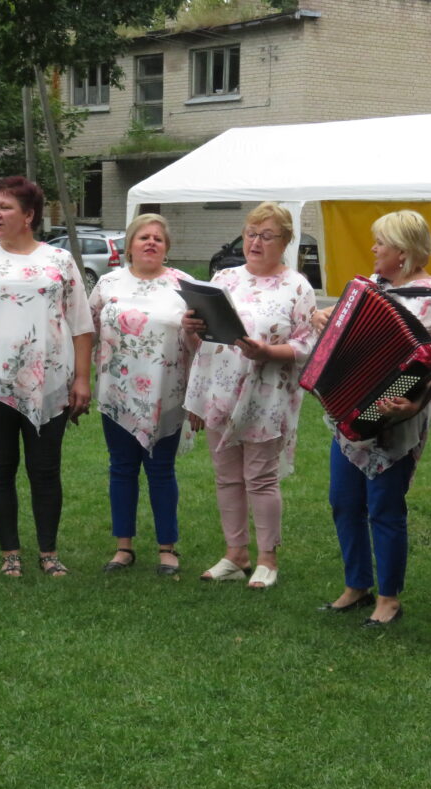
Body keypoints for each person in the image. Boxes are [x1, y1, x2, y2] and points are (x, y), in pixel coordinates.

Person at [0, 176, 94, 577]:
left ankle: (49, 552)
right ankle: (9, 552)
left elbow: (81, 323)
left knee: (45, 469)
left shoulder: (59, 261)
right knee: (0, 467)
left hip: (49, 381)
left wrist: (82, 379)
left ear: (29, 216)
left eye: (5, 207)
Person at [315, 211, 431, 626]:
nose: (373, 249)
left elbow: (429, 371)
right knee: (343, 501)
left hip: (396, 421)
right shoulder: (371, 288)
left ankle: (389, 598)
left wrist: (408, 404)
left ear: (403, 252)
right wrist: (323, 318)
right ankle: (356, 585)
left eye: (381, 243)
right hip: (349, 413)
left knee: (384, 508)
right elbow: (341, 327)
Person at [183, 202, 315, 589]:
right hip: (220, 388)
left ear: (285, 241)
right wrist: (191, 326)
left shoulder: (297, 286)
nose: (256, 242)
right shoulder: (224, 278)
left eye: (266, 236)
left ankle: (267, 559)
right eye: (251, 234)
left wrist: (268, 352)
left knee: (260, 477)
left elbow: (307, 344)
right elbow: (203, 339)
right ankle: (235, 553)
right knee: (226, 477)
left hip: (266, 393)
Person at [90, 214, 193, 576]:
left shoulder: (184, 285)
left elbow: (203, 338)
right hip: (117, 391)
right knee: (121, 468)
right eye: (143, 237)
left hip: (166, 392)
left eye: (158, 239)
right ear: (130, 245)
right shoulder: (107, 283)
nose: (151, 243)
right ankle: (123, 547)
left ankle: (167, 548)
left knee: (161, 469)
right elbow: (88, 330)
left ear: (167, 248)